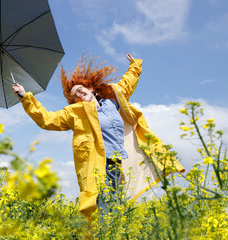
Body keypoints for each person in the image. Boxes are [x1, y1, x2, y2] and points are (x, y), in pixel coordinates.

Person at [12, 54, 185, 221]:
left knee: (115, 207)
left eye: (80, 90)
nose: (78, 94)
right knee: (102, 207)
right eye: (74, 95)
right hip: (97, 165)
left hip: (118, 164)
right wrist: (25, 96)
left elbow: (126, 85)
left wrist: (135, 66)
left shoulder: (111, 103)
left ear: (91, 89)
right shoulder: (74, 113)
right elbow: (46, 119)